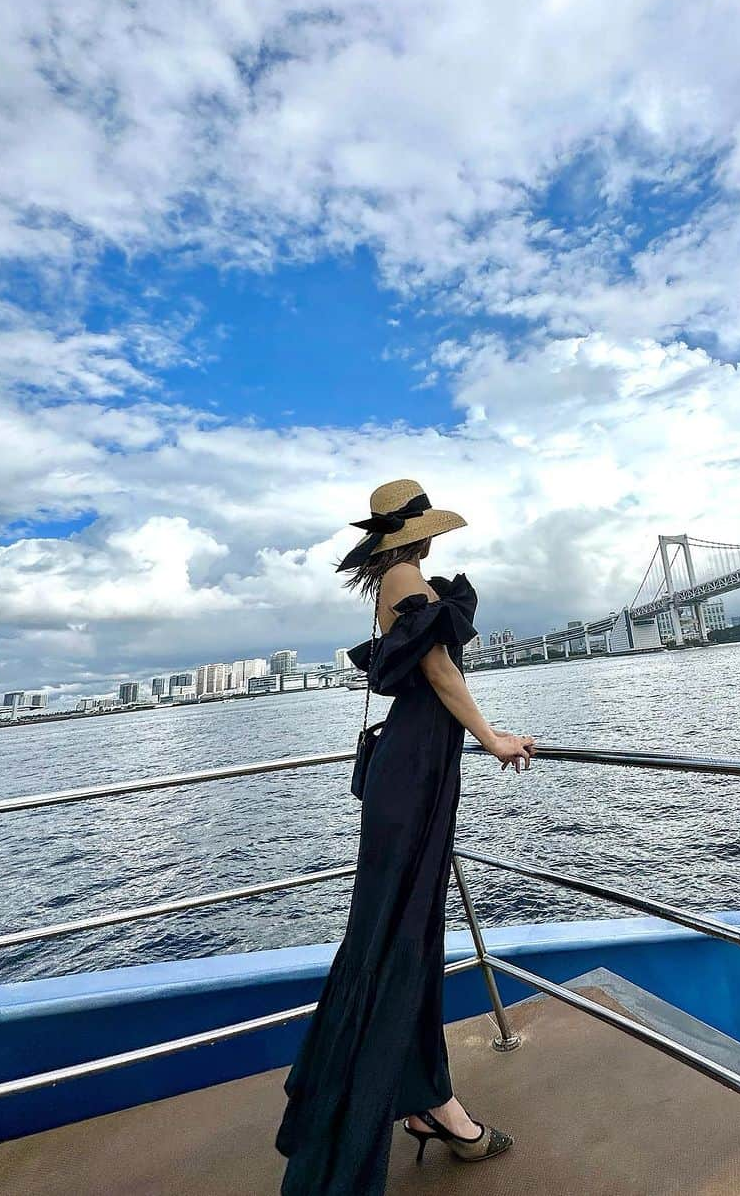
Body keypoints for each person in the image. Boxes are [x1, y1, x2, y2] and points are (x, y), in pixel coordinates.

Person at [275, 478, 536, 1195]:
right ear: (418, 531)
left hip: (416, 777)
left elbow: (430, 673)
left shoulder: (394, 578)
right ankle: (415, 1112)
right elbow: (440, 670)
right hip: (415, 777)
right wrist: (494, 737)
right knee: (395, 944)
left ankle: (429, 1102)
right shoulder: (406, 575)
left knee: (404, 941)